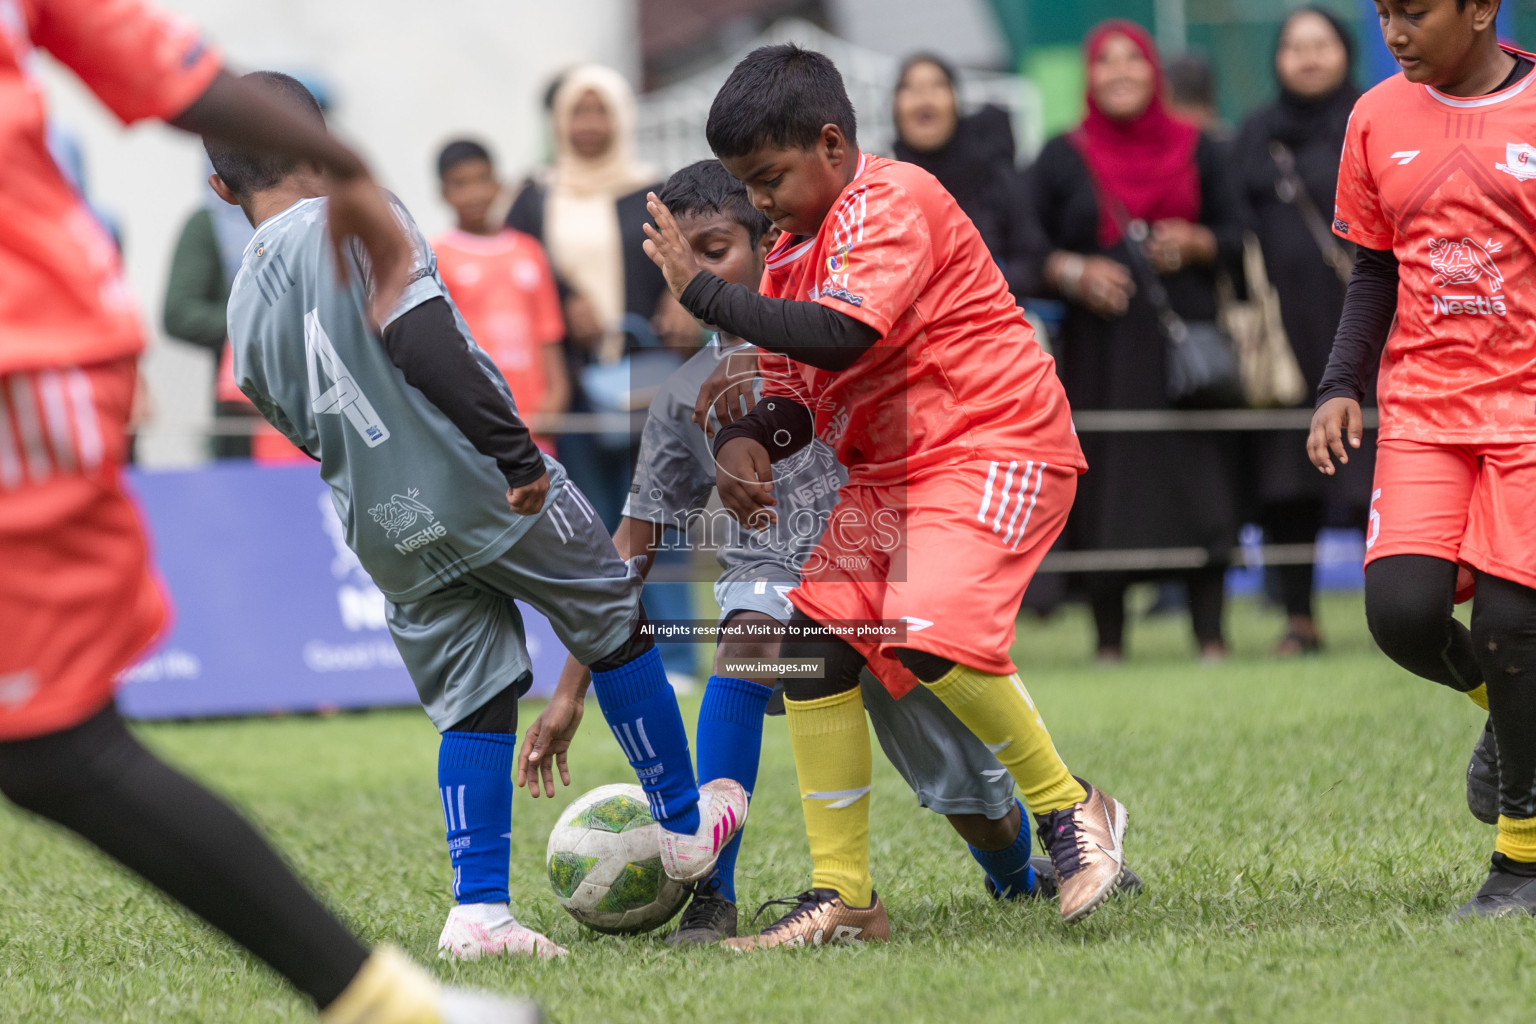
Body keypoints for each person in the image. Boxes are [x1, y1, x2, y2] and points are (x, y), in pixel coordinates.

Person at [0, 4, 533, 1022]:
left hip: (19, 348)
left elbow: (167, 67)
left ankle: (385, 1004)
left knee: (54, 745)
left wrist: (348, 172)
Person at [521, 159, 1146, 944]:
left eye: (715, 251)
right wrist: (570, 686)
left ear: (768, 244)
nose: (695, 274)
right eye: (682, 260)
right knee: (747, 643)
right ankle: (720, 893)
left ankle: (1029, 863)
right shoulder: (684, 395)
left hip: (892, 582)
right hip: (784, 587)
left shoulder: (839, 330)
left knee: (974, 803)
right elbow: (633, 545)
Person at [211, 73, 747, 961]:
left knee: (474, 695)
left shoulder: (241, 301)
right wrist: (511, 453)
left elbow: (295, 421)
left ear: (223, 187)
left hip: (380, 519)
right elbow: (420, 338)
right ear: (319, 146)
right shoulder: (358, 210)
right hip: (481, 481)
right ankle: (686, 829)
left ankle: (481, 915)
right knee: (611, 610)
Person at [642, 44, 1131, 946]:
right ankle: (845, 898)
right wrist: (748, 439)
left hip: (993, 441)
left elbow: (837, 335)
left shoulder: (895, 199)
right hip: (894, 475)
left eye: (770, 179)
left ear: (833, 144)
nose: (760, 205)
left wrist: (706, 291)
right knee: (812, 645)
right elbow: (799, 387)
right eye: (748, 186)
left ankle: (1073, 811)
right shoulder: (790, 252)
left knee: (922, 623)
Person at [1310, 0, 1536, 917]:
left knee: (1513, 627)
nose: (1395, 32)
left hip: (1528, 413)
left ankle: (1520, 864)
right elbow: (1376, 271)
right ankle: (1512, 717)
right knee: (1402, 614)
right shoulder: (1375, 116)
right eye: (1384, 12)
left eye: (1416, 12)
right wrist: (1337, 386)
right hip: (1426, 411)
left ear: (1481, 9)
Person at [1025, 20, 1245, 662]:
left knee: (1202, 483)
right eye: (1105, 62)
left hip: (1188, 356)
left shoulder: (1201, 149)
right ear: (1089, 76)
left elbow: (1237, 231)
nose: (1120, 72)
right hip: (1101, 356)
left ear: (1155, 72)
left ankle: (1211, 637)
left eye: (1134, 60)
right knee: (1106, 485)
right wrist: (1074, 270)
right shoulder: (1062, 154)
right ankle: (1109, 642)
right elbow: (1022, 242)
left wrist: (1198, 242)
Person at [506, 64, 695, 527]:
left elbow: (696, 249)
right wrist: (564, 295)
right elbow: (513, 263)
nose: (589, 125)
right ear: (558, 121)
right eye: (578, 113)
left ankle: (663, 605)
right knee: (588, 522)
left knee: (656, 523)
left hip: (649, 376)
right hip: (572, 383)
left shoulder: (654, 187)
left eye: (601, 112)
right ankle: (609, 604)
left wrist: (682, 295)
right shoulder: (536, 195)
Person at [1234, 7, 1363, 655]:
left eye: (1322, 45)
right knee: (1290, 483)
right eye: (1294, 46)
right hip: (1285, 343)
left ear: (1345, 52)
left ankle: (1401, 613)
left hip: (1369, 327)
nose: (1308, 57)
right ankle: (1299, 618)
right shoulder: (1257, 133)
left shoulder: (1373, 116)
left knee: (1383, 477)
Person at [433, 139, 570, 454]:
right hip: (475, 421)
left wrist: (556, 397)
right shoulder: (436, 257)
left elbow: (549, 333)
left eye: (482, 180)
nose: (475, 193)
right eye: (461, 184)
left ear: (498, 184)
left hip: (535, 420)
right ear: (443, 193)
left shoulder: (529, 250)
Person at [890, 54, 1041, 299]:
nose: (924, 96)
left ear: (956, 101)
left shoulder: (992, 172)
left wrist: (975, 290)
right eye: (911, 87)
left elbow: (1032, 260)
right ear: (895, 107)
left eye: (937, 86)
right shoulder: (879, 180)